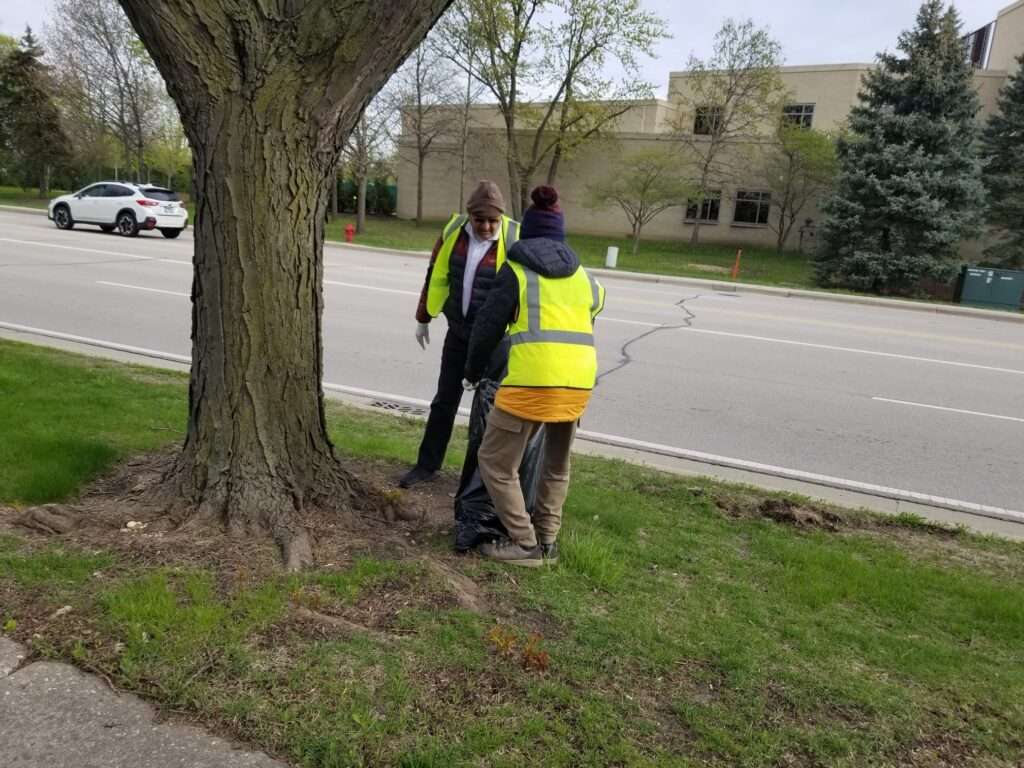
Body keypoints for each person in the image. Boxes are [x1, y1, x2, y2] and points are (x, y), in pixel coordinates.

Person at [462, 186, 605, 566]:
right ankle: (548, 540)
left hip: (531, 382)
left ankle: (524, 543)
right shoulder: (588, 279)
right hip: (577, 384)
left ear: (525, 234)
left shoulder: (517, 273)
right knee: (556, 465)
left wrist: (472, 371)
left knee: (495, 461)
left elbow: (487, 327)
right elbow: (588, 317)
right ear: (560, 235)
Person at [398, 181, 520, 489]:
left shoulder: (514, 238)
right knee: (444, 401)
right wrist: (423, 317)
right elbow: (435, 274)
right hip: (459, 333)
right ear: (469, 216)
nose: (487, 227)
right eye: (480, 220)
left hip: (494, 340)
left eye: (493, 220)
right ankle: (426, 465)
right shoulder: (453, 232)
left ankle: (477, 480)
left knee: (486, 411)